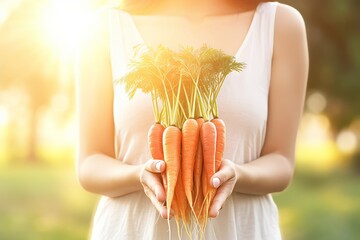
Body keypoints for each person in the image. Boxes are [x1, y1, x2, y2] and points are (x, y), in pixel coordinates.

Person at [75, 0, 309, 239]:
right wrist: (139, 175)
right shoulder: (101, 27)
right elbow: (90, 163)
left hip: (241, 230)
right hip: (133, 230)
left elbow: (281, 161)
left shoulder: (281, 24)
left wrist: (238, 174)